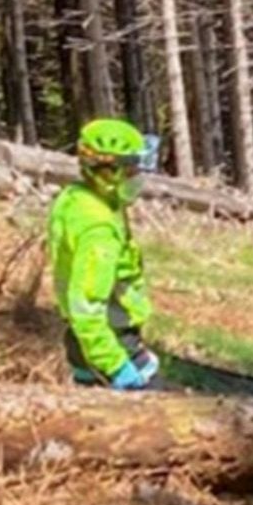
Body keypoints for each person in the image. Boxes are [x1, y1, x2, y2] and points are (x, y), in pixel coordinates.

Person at [51, 117, 160, 389]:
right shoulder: (98, 230)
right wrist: (116, 364)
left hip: (86, 340)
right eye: (132, 171)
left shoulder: (77, 199)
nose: (138, 178)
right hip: (110, 342)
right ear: (109, 173)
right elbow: (86, 305)